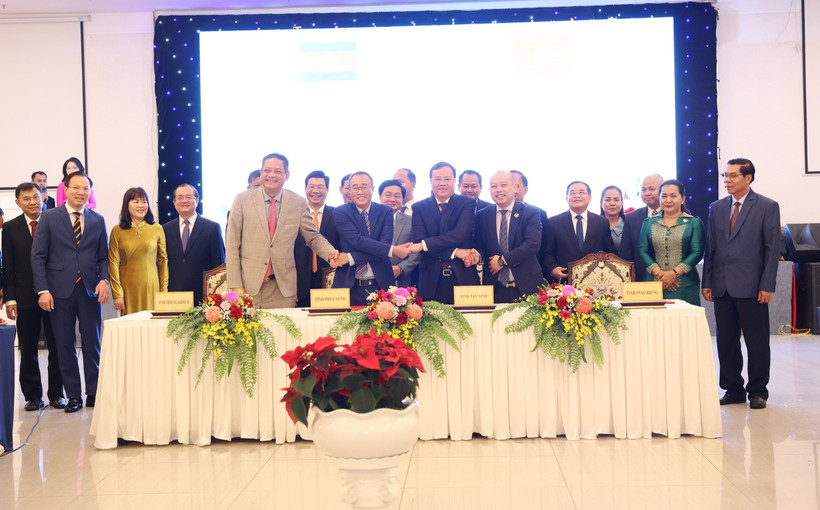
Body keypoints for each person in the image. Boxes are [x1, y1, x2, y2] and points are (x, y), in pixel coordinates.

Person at [702, 158, 780, 410]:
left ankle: (758, 391)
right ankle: (733, 388)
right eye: (725, 175)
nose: (727, 180)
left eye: (733, 176)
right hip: (722, 286)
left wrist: (767, 285)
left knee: (756, 342)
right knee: (726, 341)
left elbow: (771, 249)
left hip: (752, 287)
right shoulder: (716, 207)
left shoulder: (767, 206)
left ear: (748, 178)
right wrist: (708, 280)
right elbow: (711, 247)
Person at [31, 172, 110, 413]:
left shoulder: (97, 219)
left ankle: (94, 392)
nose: (81, 192)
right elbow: (38, 256)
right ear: (66, 189)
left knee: (92, 344)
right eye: (76, 188)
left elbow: (103, 256)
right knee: (65, 345)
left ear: (90, 192)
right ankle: (73, 395)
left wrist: (104, 279)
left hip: (89, 291)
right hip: (58, 291)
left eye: (85, 188)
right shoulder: (49, 217)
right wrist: (43, 290)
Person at [226, 152, 338, 308]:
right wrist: (235, 284)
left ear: (287, 175)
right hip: (247, 288)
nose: (271, 175)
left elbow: (312, 237)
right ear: (261, 172)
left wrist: (330, 252)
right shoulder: (242, 200)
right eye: (267, 170)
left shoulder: (298, 202)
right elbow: (232, 244)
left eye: (278, 171)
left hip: (283, 290)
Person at [2, 183, 66, 411]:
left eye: (36, 198)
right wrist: (10, 299)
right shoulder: (9, 228)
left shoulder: (55, 222)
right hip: (25, 296)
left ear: (43, 198)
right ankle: (32, 395)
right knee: (27, 348)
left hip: (54, 294)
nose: (32, 202)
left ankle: (57, 394)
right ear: (18, 202)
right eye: (26, 199)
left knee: (57, 345)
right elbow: (8, 266)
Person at [332, 172, 413, 305]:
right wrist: (392, 250)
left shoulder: (385, 211)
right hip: (349, 284)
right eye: (355, 188)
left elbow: (384, 245)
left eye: (364, 187)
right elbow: (357, 241)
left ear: (372, 188)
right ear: (349, 191)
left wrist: (350, 258)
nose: (360, 192)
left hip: (381, 283)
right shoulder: (341, 212)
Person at [408, 162, 480, 303]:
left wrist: (425, 244)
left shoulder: (466, 203)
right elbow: (419, 241)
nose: (442, 183)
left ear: (454, 181)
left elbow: (460, 234)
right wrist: (456, 252)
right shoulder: (419, 207)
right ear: (430, 181)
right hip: (430, 281)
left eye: (447, 179)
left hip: (463, 278)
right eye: (437, 179)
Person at [473, 171, 543, 302]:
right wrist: (475, 254)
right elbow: (480, 245)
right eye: (494, 186)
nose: (498, 190)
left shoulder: (530, 213)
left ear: (514, 187)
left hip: (527, 287)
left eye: (503, 185)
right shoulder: (482, 215)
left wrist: (503, 260)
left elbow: (532, 244)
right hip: (495, 288)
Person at [637, 179, 704, 305]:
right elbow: (642, 250)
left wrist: (674, 274)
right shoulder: (649, 222)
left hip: (685, 285)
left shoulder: (693, 222)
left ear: (683, 198)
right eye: (664, 196)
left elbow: (697, 252)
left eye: (673, 196)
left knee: (685, 323)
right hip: (654, 284)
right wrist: (660, 274)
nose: (668, 200)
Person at [108, 187, 168, 315]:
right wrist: (117, 293)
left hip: (151, 286)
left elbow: (163, 261)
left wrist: (164, 291)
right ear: (127, 205)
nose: (141, 205)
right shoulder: (117, 231)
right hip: (127, 288)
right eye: (136, 201)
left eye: (144, 201)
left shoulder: (157, 228)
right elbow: (113, 263)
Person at [162, 184, 225, 305]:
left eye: (189, 197)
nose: (184, 200)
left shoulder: (212, 228)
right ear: (174, 203)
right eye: (180, 197)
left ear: (196, 200)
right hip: (174, 296)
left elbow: (219, 265)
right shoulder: (165, 229)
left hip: (204, 295)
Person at [545, 181, 617, 281]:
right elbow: (547, 252)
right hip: (565, 280)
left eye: (581, 192)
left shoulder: (602, 223)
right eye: (572, 193)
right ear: (567, 198)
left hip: (595, 280)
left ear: (589, 198)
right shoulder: (554, 222)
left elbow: (610, 252)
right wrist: (552, 269)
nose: (576, 196)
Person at [294, 171, 340, 306]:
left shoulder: (338, 214)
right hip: (299, 283)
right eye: (311, 186)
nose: (315, 191)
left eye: (320, 187)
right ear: (305, 189)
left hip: (330, 283)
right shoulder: (294, 216)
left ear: (327, 190)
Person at [620, 174, 664, 281]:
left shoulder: (673, 215)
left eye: (651, 189)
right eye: (643, 190)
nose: (647, 193)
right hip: (640, 281)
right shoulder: (631, 218)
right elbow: (626, 254)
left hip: (670, 280)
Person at [510, 170, 550, 280]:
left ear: (525, 189)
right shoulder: (488, 213)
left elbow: (544, 248)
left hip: (530, 276)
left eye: (515, 186)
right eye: (507, 185)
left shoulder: (539, 213)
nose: (511, 190)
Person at [379, 179, 419, 287]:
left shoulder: (411, 221)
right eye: (388, 195)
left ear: (402, 199)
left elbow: (417, 250)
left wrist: (401, 268)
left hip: (401, 281)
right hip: (372, 279)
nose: (392, 199)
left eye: (397, 196)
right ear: (380, 197)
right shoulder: (369, 221)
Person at [600, 185, 626, 252]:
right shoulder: (593, 225)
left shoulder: (628, 225)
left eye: (616, 200)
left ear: (622, 203)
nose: (612, 203)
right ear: (601, 203)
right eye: (608, 200)